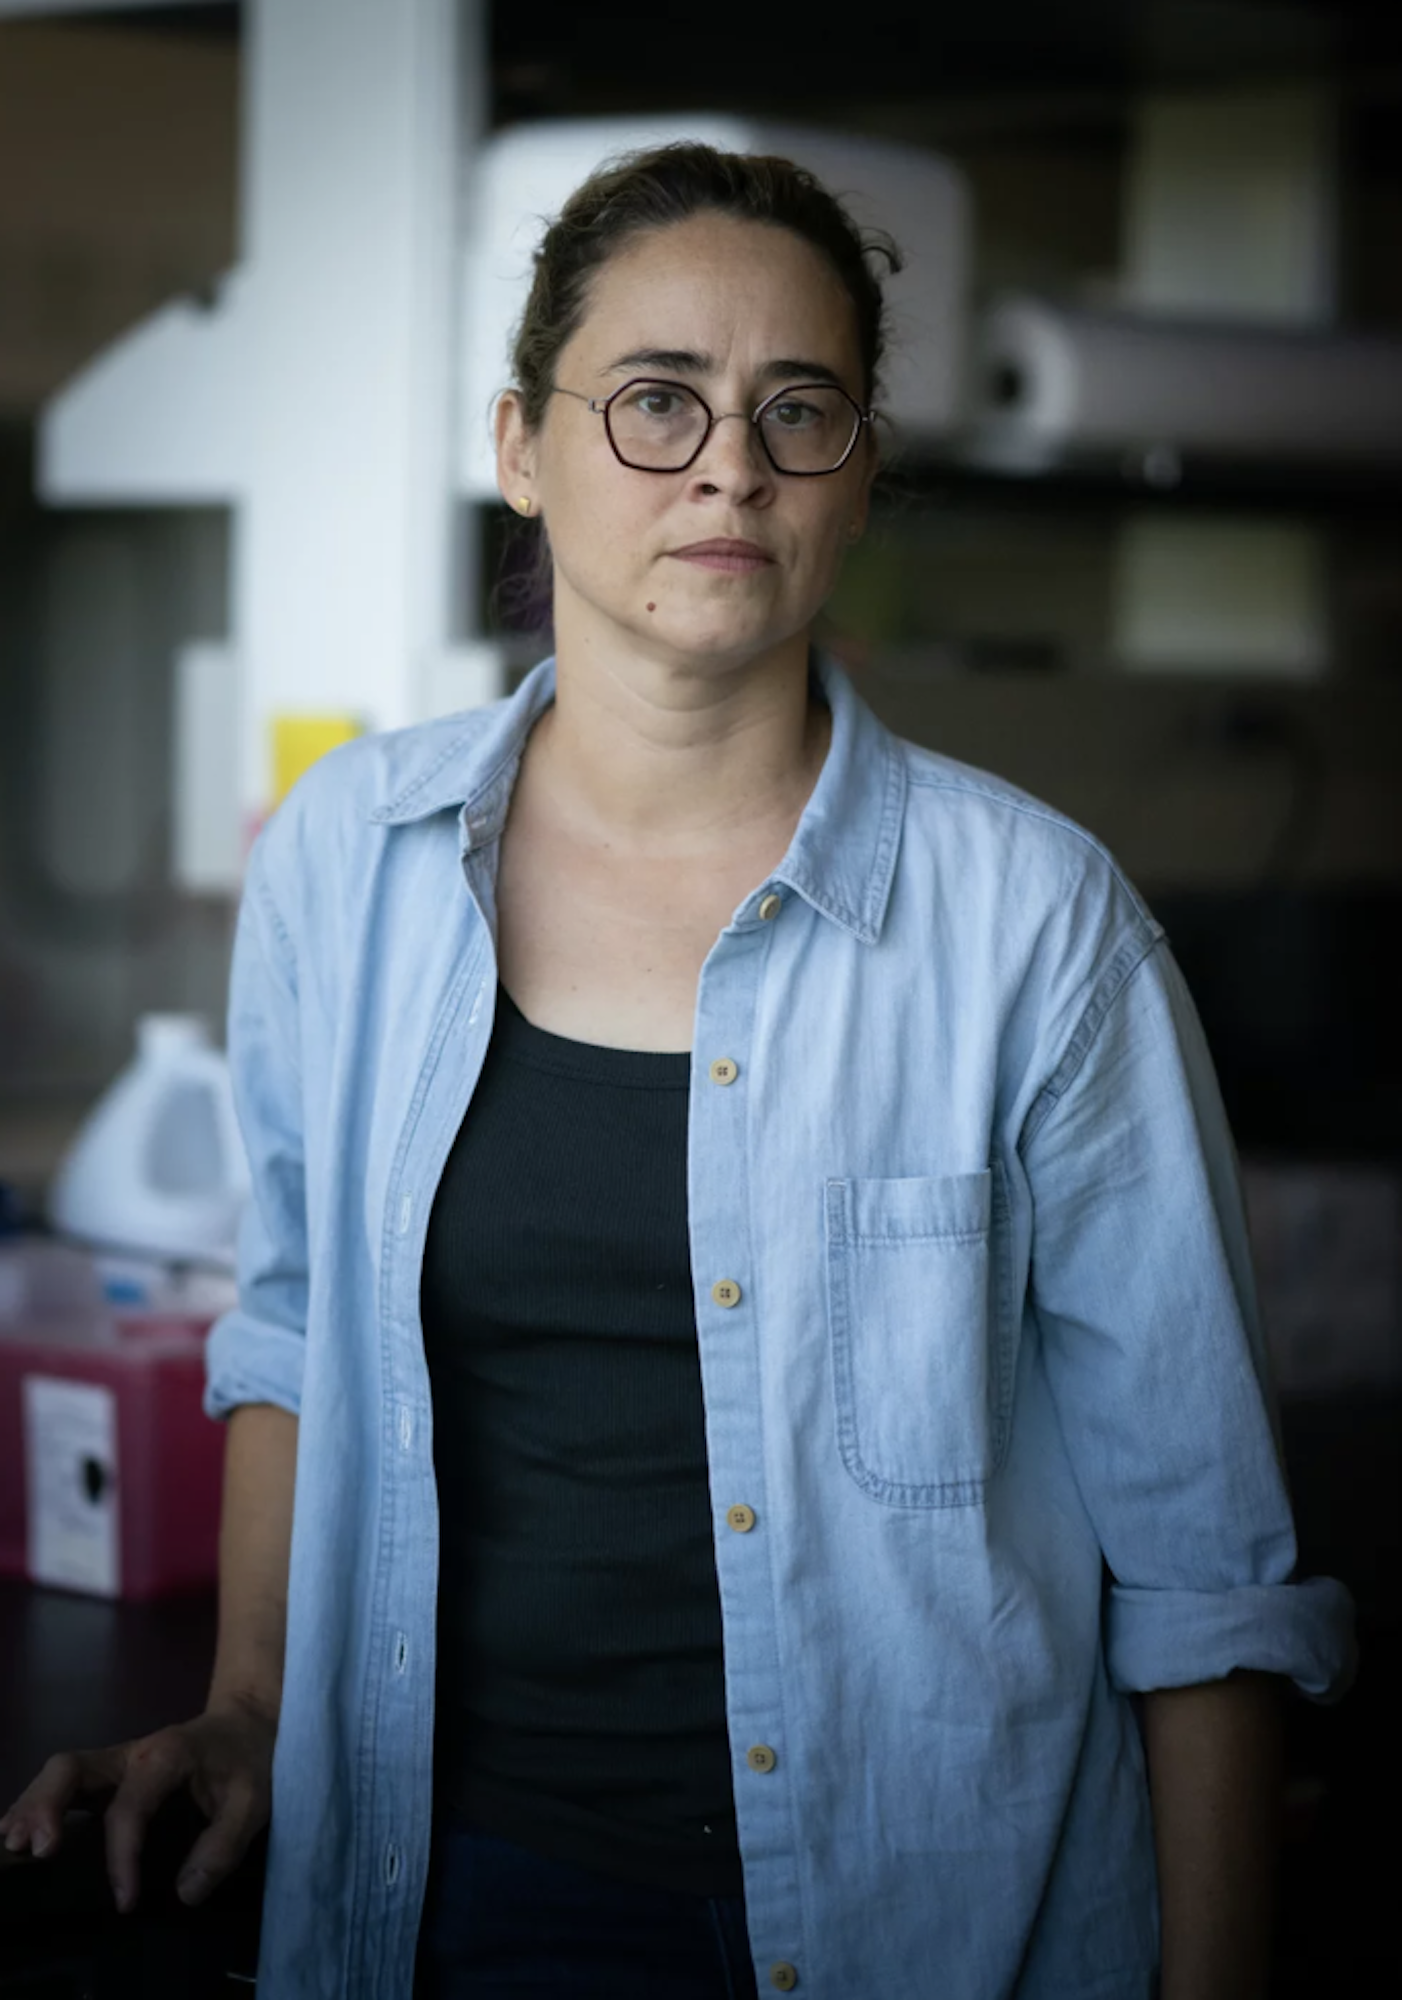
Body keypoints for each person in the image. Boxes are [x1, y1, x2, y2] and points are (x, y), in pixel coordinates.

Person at [1, 142, 1354, 2000]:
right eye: (654, 400)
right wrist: (249, 1713)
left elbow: (1203, 1567)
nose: (729, 463)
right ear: (522, 448)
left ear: (859, 476)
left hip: (926, 1919)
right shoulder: (348, 861)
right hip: (434, 1884)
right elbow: (296, 1327)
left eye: (797, 409)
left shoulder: (1036, 929)